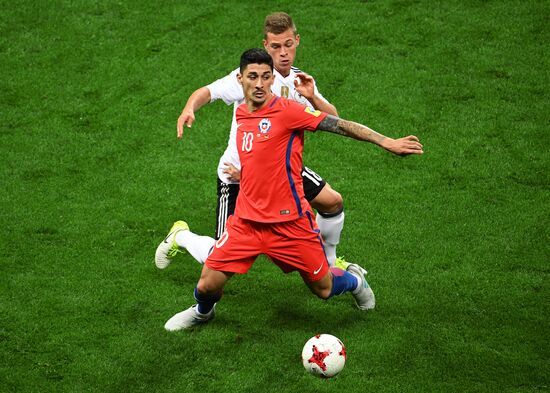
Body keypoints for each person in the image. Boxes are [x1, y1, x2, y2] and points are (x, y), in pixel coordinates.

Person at [156, 48, 423, 331]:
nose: (259, 83)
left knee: (323, 289)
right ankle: (202, 312)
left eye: (266, 77)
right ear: (240, 79)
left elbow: (339, 124)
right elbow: (259, 157)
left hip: (290, 224)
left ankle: (355, 280)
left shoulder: (288, 111)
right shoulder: (242, 114)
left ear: (273, 79)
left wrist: (385, 142)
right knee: (208, 283)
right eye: (253, 77)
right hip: (247, 223)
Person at [176, 12, 345, 266]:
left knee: (332, 202)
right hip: (237, 174)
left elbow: (334, 121)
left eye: (288, 44)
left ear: (297, 40)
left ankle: (330, 263)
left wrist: (313, 98)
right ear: (266, 46)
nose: (284, 53)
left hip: (281, 172)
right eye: (276, 47)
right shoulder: (249, 77)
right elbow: (207, 92)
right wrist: (190, 107)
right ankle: (181, 236)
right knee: (219, 260)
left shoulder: (301, 80)